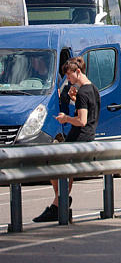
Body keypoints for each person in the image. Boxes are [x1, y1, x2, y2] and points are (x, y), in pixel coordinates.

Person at [33, 56, 100, 223]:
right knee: (63, 170)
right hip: (88, 136)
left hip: (78, 138)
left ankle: (58, 203)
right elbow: (89, 112)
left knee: (54, 165)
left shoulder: (84, 91)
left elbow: (82, 120)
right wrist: (75, 101)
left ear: (78, 72)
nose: (68, 79)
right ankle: (59, 202)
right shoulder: (93, 89)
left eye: (69, 75)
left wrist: (66, 119)